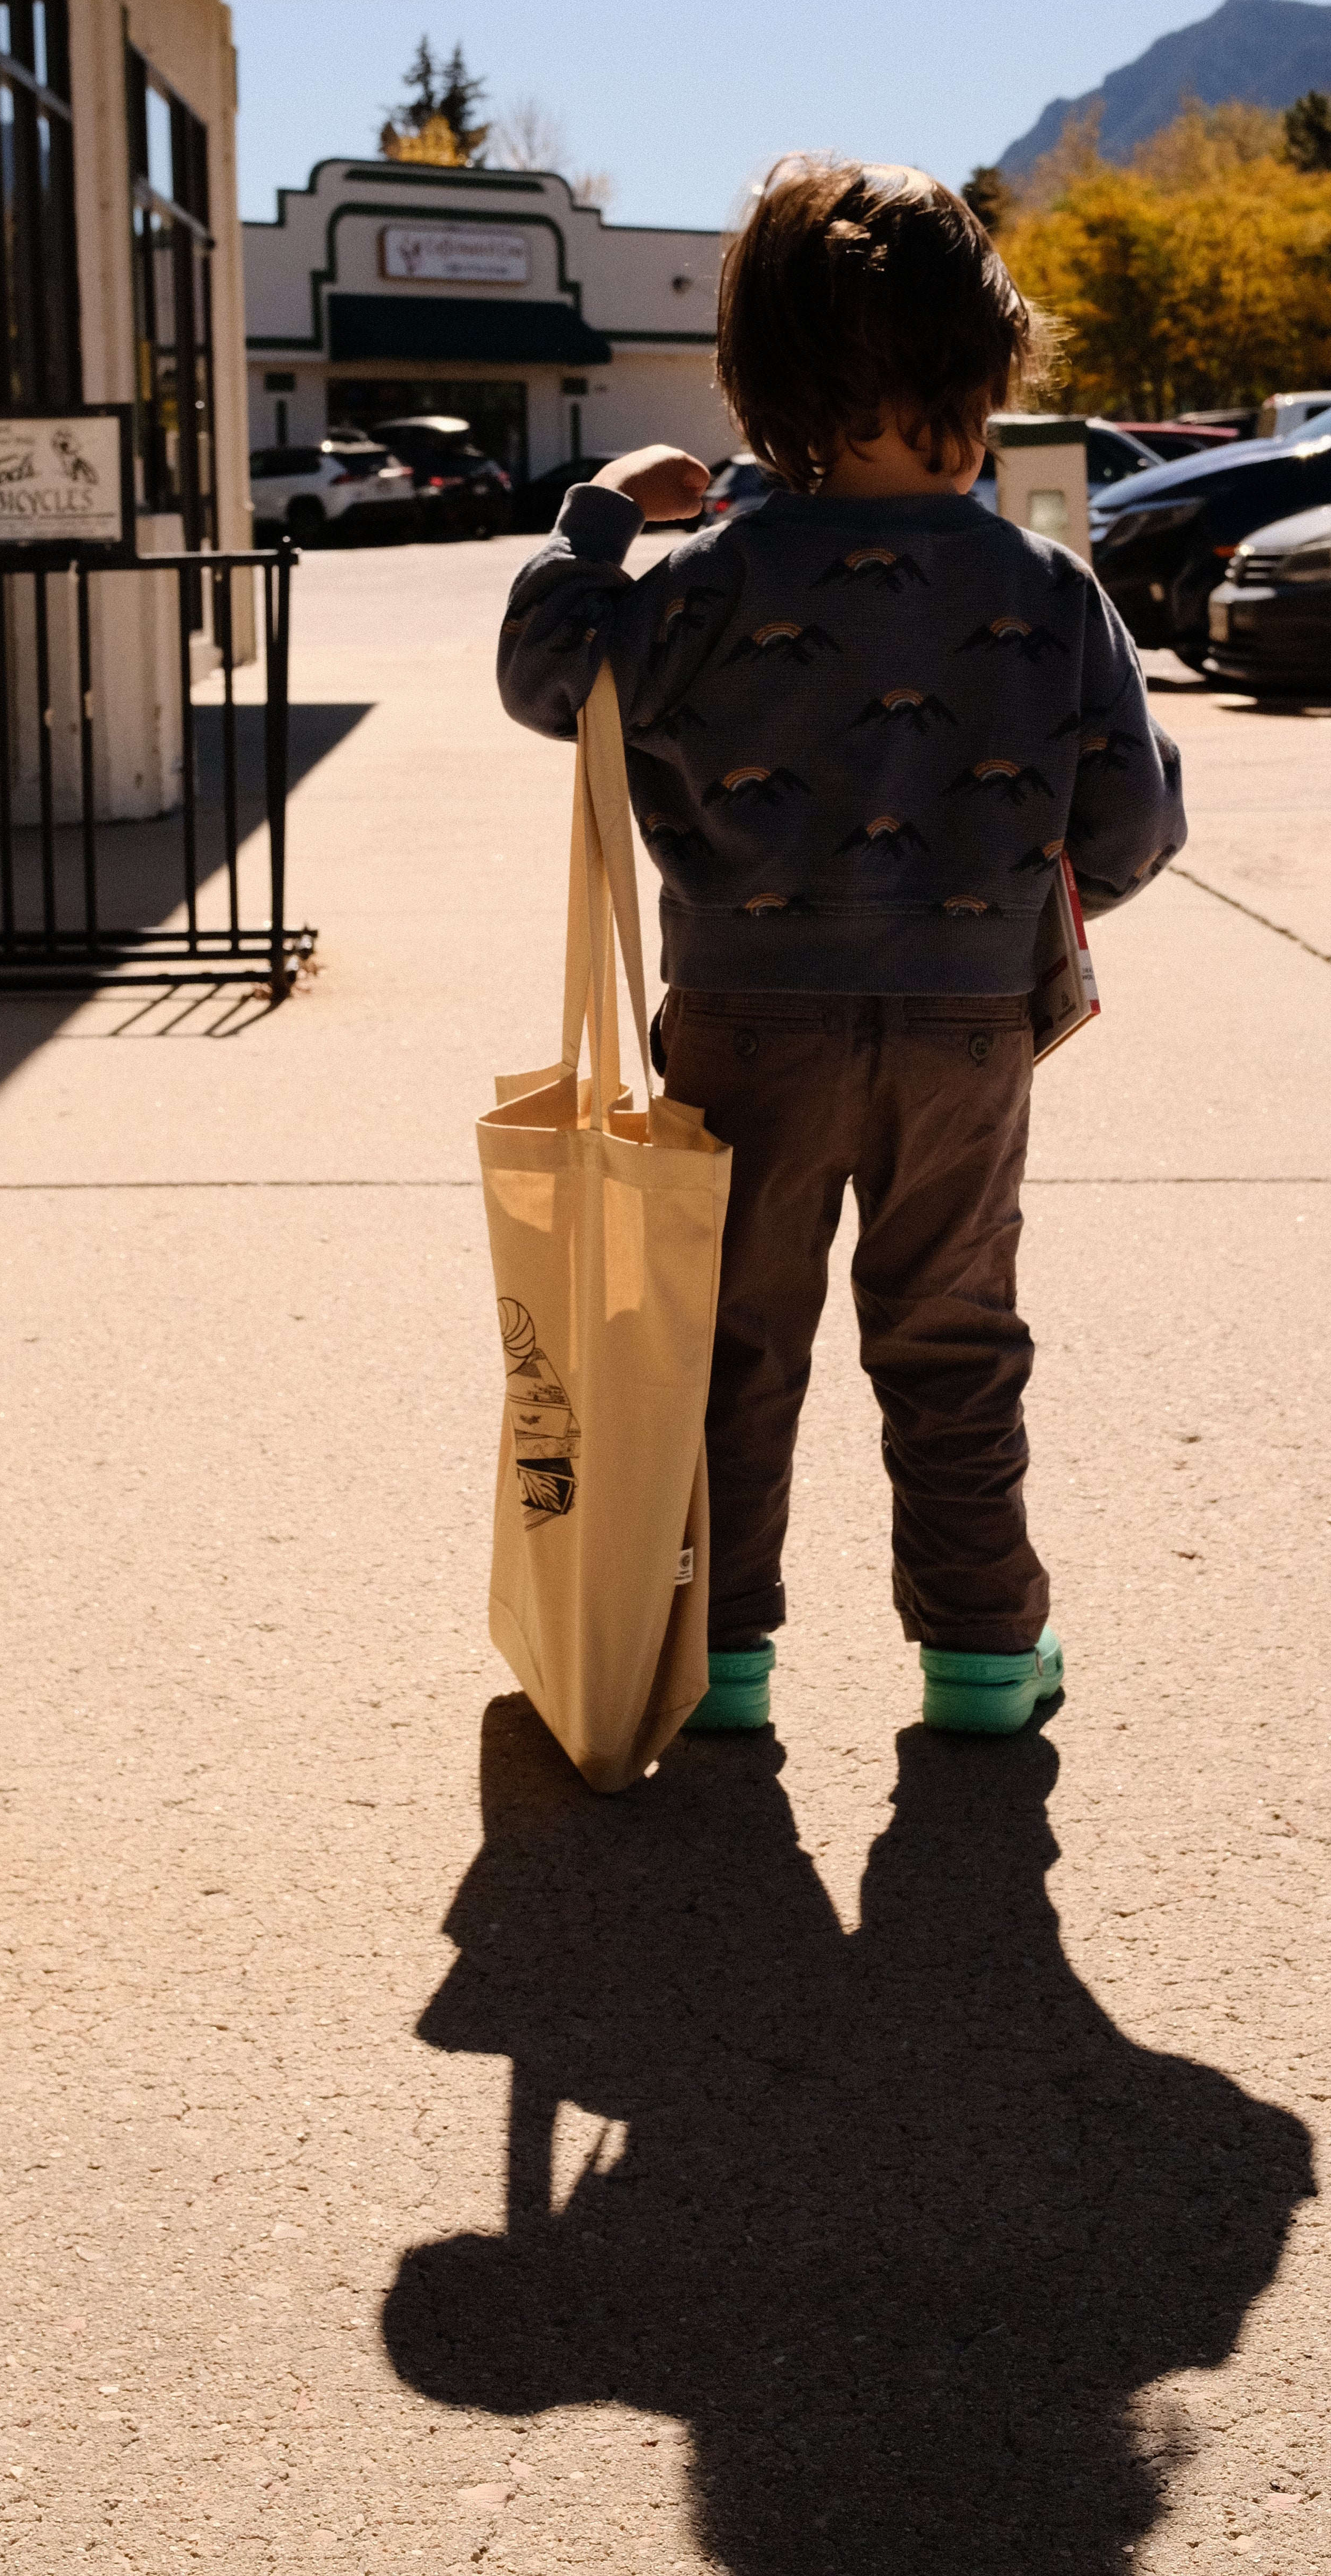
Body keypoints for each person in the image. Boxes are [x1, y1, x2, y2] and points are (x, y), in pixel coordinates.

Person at [494, 158, 1185, 1737]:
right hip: (965, 1038)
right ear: (987, 373)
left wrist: (600, 517)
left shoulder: (710, 585)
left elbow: (546, 672)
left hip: (744, 1026)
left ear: (759, 385)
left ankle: (722, 1663)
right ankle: (984, 1659)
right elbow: (1133, 833)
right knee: (952, 1336)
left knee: (729, 1344)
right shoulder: (1052, 590)